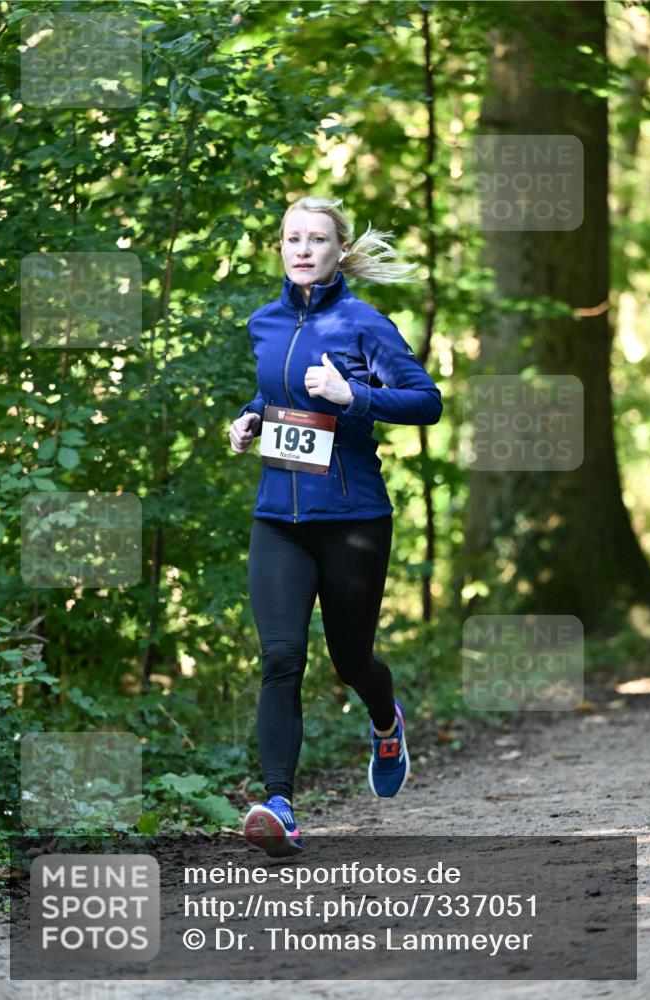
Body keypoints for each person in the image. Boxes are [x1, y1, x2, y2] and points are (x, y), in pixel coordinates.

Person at [228, 196, 443, 858]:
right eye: (291, 238)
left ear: (337, 249)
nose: (301, 249)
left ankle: (384, 720)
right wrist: (249, 418)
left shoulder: (362, 324)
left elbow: (427, 402)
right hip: (278, 519)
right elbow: (276, 394)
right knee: (280, 656)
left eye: (315, 239)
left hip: (351, 519)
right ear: (280, 248)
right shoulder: (263, 322)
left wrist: (357, 398)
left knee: (350, 660)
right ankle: (280, 806)